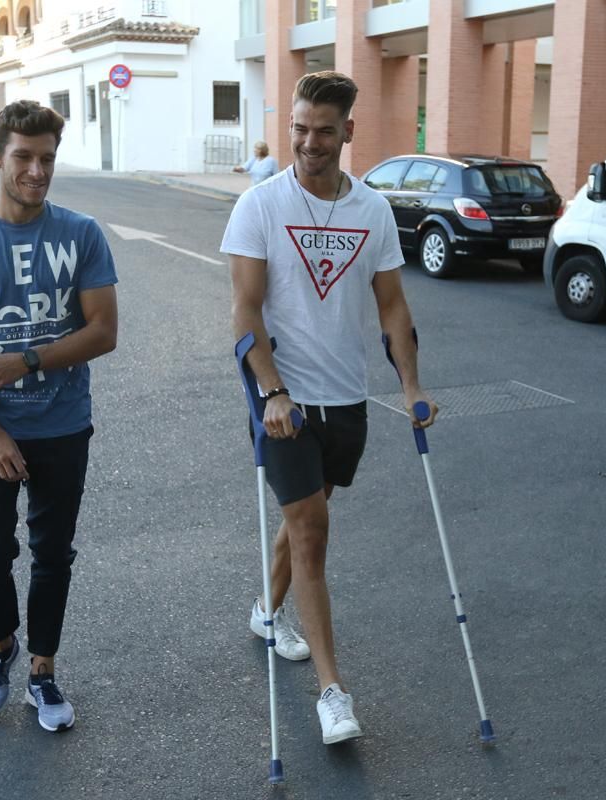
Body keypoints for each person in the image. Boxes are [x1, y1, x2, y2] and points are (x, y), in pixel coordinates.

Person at [222, 71, 437, 746]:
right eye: (298, 127)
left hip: (347, 396)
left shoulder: (371, 211)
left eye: (322, 130)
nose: (307, 142)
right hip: (283, 395)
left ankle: (266, 610)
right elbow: (246, 312)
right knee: (312, 534)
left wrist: (411, 387)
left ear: (348, 130)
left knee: (306, 516)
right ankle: (332, 693)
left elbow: (393, 306)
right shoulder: (259, 205)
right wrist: (272, 392)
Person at [0, 100, 119, 733]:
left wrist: (26, 360)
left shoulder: (81, 232)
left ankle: (41, 670)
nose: (37, 171)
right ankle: (0, 649)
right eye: (23, 157)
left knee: (52, 554)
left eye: (47, 159)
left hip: (63, 423)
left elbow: (104, 332)